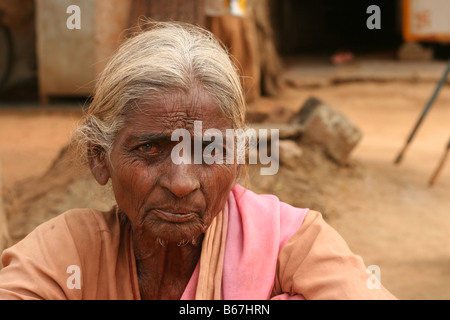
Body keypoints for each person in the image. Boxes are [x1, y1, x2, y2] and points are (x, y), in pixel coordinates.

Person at [0, 21, 396, 300]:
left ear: (238, 162)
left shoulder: (291, 242)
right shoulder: (71, 250)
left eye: (209, 151)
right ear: (100, 158)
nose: (181, 181)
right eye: (150, 150)